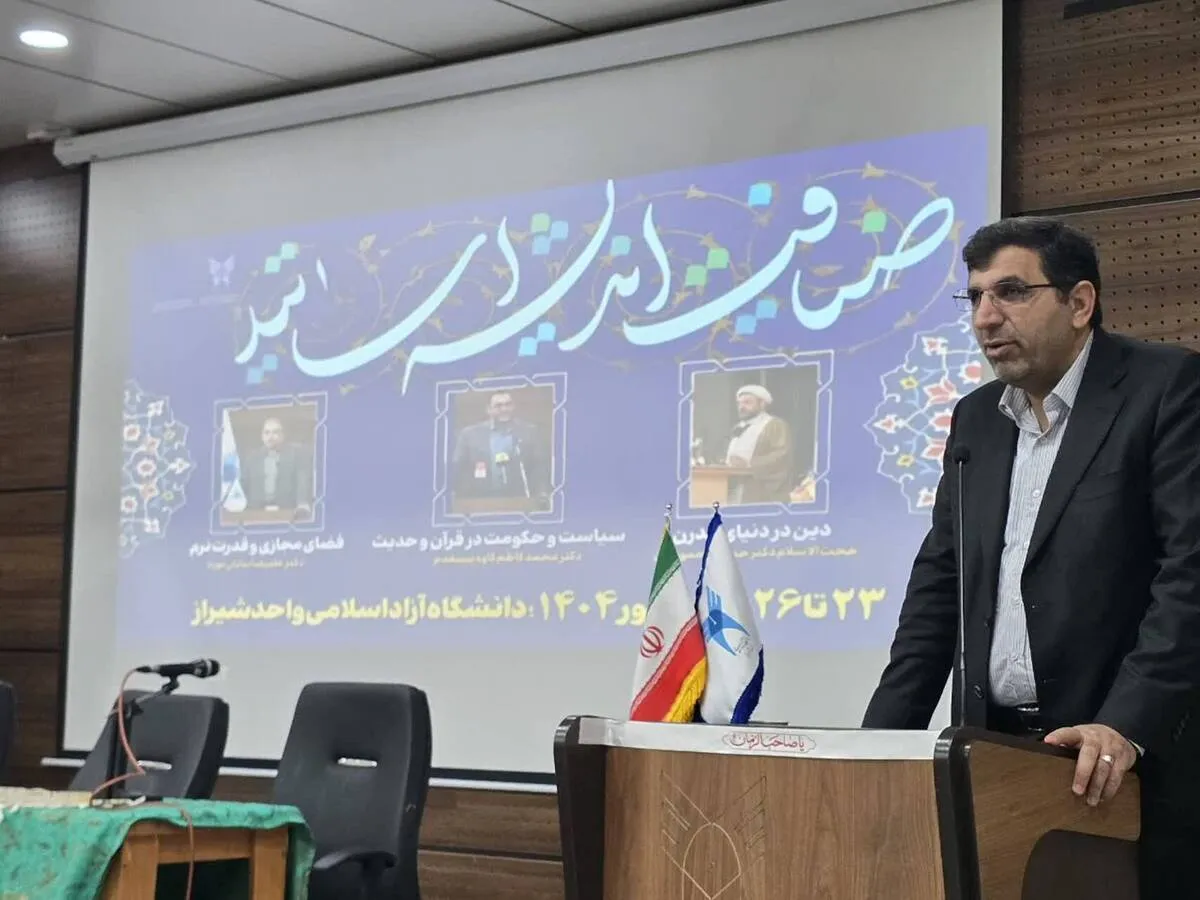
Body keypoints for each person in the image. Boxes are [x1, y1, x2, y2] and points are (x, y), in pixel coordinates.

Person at [861, 216, 1200, 897]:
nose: (986, 317)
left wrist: (1124, 725)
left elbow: (1189, 574)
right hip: (997, 759)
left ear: (1080, 302)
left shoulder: (1166, 387)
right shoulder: (977, 419)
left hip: (1127, 763)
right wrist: (875, 746)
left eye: (1011, 292)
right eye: (975, 297)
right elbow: (940, 586)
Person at [724, 384, 792, 504]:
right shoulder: (738, 427)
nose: (741, 407)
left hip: (760, 491)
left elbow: (781, 455)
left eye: (747, 402)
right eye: (739, 403)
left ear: (762, 404)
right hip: (733, 487)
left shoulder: (774, 425)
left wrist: (749, 464)